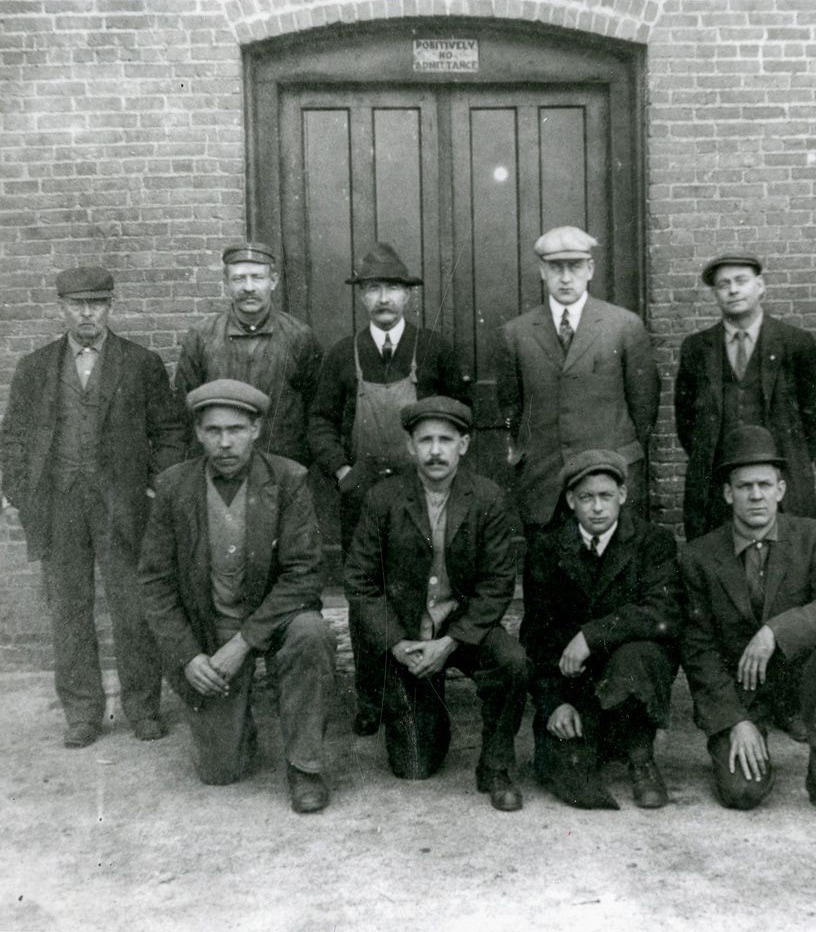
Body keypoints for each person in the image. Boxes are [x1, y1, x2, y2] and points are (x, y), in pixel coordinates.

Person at [0, 266, 186, 748]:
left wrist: (153, 489)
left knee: (133, 608)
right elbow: (13, 437)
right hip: (59, 503)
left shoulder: (140, 363)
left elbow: (169, 432)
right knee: (69, 609)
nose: (87, 314)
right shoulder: (36, 367)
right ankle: (82, 712)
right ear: (61, 307)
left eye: (97, 304)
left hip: (123, 505)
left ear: (110, 306)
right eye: (77, 305)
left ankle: (143, 707)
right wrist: (21, 493)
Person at [139, 380, 336, 814]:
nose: (224, 442)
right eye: (213, 430)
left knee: (312, 633)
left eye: (236, 429)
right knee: (220, 771)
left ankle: (305, 766)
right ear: (198, 433)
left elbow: (303, 574)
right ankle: (237, 726)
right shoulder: (174, 486)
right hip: (212, 626)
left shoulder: (288, 479)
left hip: (276, 621)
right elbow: (155, 583)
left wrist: (244, 643)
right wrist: (189, 655)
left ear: (256, 429)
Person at [308, 242, 468, 738]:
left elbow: (461, 417)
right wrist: (342, 471)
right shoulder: (343, 353)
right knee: (365, 597)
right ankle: (371, 697)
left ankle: (424, 685)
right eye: (374, 289)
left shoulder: (434, 349)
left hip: (424, 495)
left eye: (392, 289)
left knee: (422, 589)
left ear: (408, 296)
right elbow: (319, 422)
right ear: (362, 297)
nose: (383, 298)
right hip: (362, 500)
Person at [343, 396, 529, 811]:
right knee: (414, 766)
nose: (435, 451)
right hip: (407, 636)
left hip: (461, 630)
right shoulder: (383, 498)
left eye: (446, 440)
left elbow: (498, 582)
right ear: (410, 446)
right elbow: (359, 580)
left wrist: (451, 643)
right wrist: (396, 643)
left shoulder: (487, 498)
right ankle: (430, 709)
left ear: (463, 445)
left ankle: (496, 766)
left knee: (512, 662)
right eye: (425, 440)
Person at [678, 425, 816, 825]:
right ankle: (746, 737)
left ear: (781, 489)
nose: (756, 495)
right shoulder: (698, 557)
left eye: (764, 485)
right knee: (742, 793)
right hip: (739, 691)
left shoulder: (811, 537)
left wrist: (774, 631)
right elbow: (697, 649)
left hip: (796, 681)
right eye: (745, 486)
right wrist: (734, 720)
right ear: (728, 494)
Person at [522, 449, 683, 810]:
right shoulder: (547, 549)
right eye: (586, 497)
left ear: (622, 495)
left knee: (641, 652)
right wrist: (554, 703)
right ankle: (594, 739)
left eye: (606, 496)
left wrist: (591, 636)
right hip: (573, 685)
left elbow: (664, 611)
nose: (597, 507)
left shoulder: (653, 542)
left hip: (629, 676)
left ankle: (641, 757)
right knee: (571, 778)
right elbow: (536, 636)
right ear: (570, 501)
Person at [497, 226, 659, 534]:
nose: (566, 278)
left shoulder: (624, 326)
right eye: (556, 268)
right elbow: (511, 408)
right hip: (545, 482)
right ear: (542, 271)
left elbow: (644, 406)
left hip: (608, 478)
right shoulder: (516, 334)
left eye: (574, 267)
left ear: (590, 269)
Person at [675, 252, 816, 541]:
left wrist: (791, 461)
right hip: (717, 486)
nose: (733, 290)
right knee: (717, 556)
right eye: (724, 284)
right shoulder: (697, 348)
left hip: (781, 486)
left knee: (787, 554)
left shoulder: (795, 343)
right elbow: (687, 423)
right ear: (715, 294)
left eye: (741, 281)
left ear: (760, 286)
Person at [174, 242, 323, 464]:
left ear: (273, 281)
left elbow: (316, 410)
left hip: (282, 467)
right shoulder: (201, 337)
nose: (249, 287)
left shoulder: (299, 336)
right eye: (239, 279)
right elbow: (183, 411)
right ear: (226, 283)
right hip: (220, 465)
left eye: (257, 277)